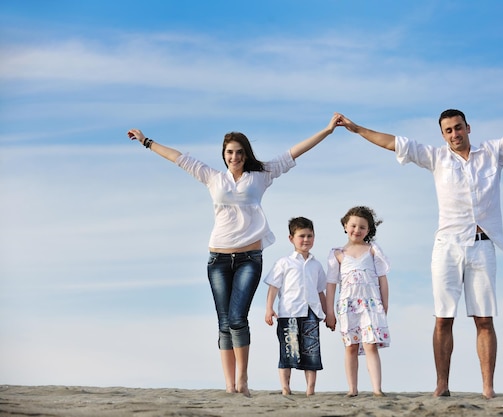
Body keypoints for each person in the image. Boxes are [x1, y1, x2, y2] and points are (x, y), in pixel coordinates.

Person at [335, 96, 503, 399]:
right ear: (442, 135)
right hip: (447, 246)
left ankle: (487, 388)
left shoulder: (491, 153)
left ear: (468, 128)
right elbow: (394, 142)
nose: (454, 134)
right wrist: (357, 129)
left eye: (458, 128)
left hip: (482, 246)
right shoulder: (435, 158)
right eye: (448, 131)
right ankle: (442, 385)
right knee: (443, 317)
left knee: (484, 319)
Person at [127, 114, 340, 397]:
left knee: (238, 318)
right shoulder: (213, 177)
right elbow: (177, 158)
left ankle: (243, 380)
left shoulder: (261, 175)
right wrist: (146, 141)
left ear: (246, 153)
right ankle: (229, 385)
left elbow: (294, 151)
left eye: (240, 152)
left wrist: (326, 131)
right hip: (217, 258)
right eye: (230, 152)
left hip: (249, 258)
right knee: (224, 322)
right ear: (224, 155)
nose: (235, 157)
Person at [326, 206, 391, 398]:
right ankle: (352, 388)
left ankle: (377, 389)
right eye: (353, 225)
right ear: (345, 226)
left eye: (362, 227)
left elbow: (382, 280)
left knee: (371, 344)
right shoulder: (337, 253)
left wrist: (384, 304)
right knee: (351, 346)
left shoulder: (373, 250)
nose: (357, 230)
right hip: (348, 306)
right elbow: (331, 285)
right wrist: (330, 311)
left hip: (371, 304)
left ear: (369, 230)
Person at [264, 217, 327, 397]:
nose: (306, 240)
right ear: (291, 238)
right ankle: (286, 388)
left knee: (312, 351)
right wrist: (269, 308)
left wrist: (328, 313)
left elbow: (320, 291)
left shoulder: (316, 265)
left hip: (311, 313)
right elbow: (273, 287)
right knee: (288, 351)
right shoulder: (284, 262)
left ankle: (310, 390)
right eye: (302, 236)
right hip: (288, 313)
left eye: (310, 236)